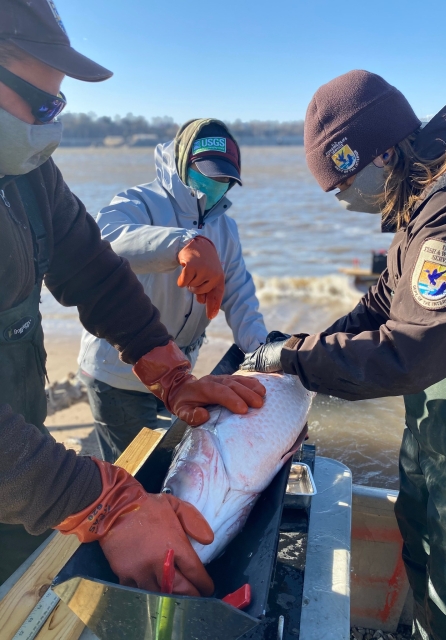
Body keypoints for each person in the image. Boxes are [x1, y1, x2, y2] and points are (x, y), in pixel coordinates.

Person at [0, 0, 265, 593]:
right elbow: (119, 239)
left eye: (59, 107)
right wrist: (106, 502)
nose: (52, 126)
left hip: (17, 460)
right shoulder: (139, 199)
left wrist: (170, 371)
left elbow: (95, 272)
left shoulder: (28, 176)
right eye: (41, 105)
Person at [241, 70, 446, 639]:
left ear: (377, 155)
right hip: (441, 433)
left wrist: (297, 362)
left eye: (339, 183)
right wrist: (296, 350)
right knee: (423, 553)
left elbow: (408, 352)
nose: (340, 199)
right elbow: (382, 301)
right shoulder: (423, 193)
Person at [78, 118, 268, 461]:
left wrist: (263, 354)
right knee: (134, 475)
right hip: (120, 374)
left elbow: (240, 294)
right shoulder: (140, 202)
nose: (214, 184)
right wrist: (183, 243)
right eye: (206, 173)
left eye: (224, 179)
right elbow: (105, 237)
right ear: (183, 163)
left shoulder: (226, 229)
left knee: (169, 461)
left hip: (178, 371)